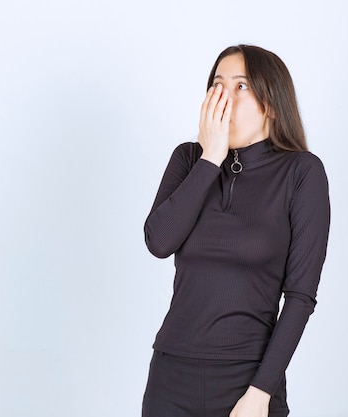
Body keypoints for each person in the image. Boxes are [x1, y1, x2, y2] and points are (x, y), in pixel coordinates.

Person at [141, 44, 330, 417]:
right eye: (217, 85)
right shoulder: (188, 160)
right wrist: (211, 157)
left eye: (241, 86)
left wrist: (260, 392)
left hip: (248, 381)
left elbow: (300, 297)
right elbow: (159, 242)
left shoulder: (301, 173)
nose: (224, 96)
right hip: (170, 376)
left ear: (271, 104)